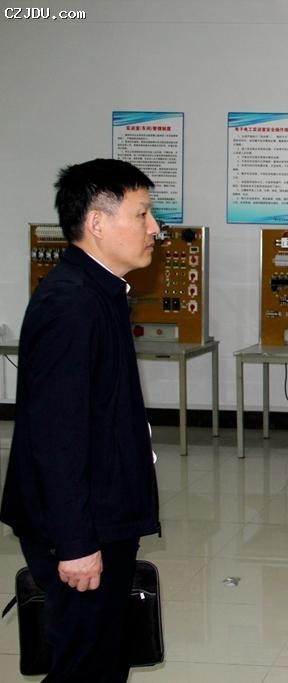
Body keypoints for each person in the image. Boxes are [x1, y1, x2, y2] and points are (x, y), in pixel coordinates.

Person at [0, 158, 162, 681]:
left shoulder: (101, 293)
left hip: (103, 512)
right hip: (79, 527)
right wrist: (75, 544)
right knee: (84, 666)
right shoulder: (72, 304)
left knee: (105, 658)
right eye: (142, 214)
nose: (155, 228)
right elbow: (57, 437)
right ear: (96, 222)